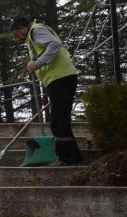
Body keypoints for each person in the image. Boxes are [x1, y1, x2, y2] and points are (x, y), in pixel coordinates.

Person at [9, 15, 83, 165]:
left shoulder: (36, 31)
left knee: (58, 120)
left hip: (61, 78)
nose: (17, 37)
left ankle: (67, 158)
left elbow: (55, 44)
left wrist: (38, 63)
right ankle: (72, 157)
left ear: (21, 28)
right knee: (59, 119)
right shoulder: (34, 34)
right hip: (59, 79)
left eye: (16, 33)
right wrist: (36, 63)